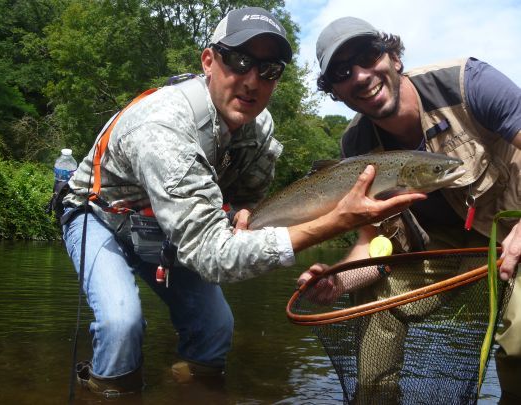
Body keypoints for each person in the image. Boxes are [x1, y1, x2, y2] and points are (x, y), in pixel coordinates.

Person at [59, 8, 425, 397]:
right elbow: (211, 257)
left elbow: (244, 201)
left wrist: (243, 214)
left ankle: (188, 389)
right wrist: (335, 221)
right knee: (121, 324)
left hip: (170, 228)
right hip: (98, 215)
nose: (252, 81)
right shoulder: (162, 125)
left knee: (216, 329)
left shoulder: (260, 128)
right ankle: (108, 390)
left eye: (269, 70)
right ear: (208, 61)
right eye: (240, 61)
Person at [299, 16, 521, 403]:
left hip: (513, 235)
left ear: (395, 57)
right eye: (342, 71)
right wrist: (338, 279)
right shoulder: (356, 146)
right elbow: (370, 244)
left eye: (369, 55)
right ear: (336, 91)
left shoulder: (469, 84)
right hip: (443, 251)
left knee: (520, 341)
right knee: (372, 298)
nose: (361, 75)